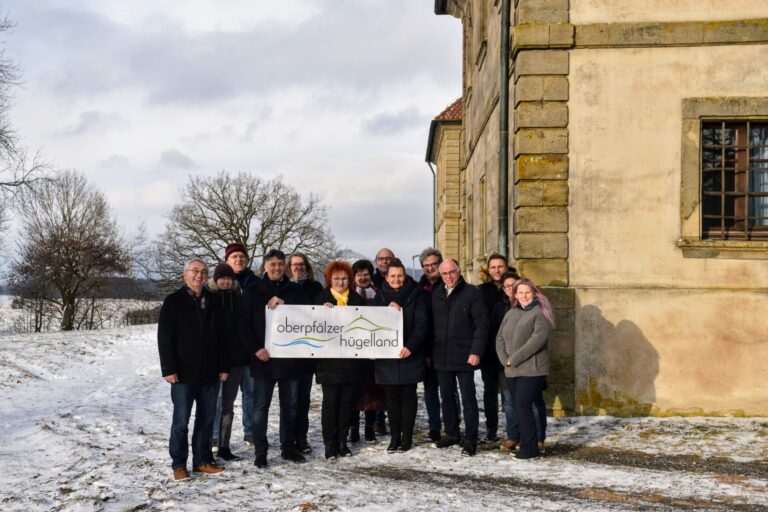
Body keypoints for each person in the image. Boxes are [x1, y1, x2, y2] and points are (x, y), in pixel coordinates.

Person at [157, 259, 228, 481]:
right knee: (181, 421)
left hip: (210, 372)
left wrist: (224, 366)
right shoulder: (173, 301)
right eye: (195, 271)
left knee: (206, 420)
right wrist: (168, 368)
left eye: (204, 271)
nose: (199, 275)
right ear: (185, 275)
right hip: (183, 374)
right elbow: (165, 338)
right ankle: (179, 464)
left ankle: (202, 461)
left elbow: (223, 338)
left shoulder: (214, 300)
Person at [240, 249, 309, 468]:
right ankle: (261, 451)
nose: (277, 268)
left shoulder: (295, 291)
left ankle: (288, 448)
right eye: (273, 264)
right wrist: (256, 349)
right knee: (260, 407)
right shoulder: (252, 290)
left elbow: (306, 318)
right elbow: (243, 325)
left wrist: (285, 304)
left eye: (280, 264)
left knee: (290, 406)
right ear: (265, 267)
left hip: (289, 360)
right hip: (264, 359)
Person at [431, 259, 489, 456]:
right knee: (446, 397)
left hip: (465, 355)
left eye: (452, 272)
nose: (449, 276)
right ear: (440, 275)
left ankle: (471, 438)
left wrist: (476, 351)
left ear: (459, 271)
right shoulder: (436, 294)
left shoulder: (472, 293)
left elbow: (482, 325)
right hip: (441, 355)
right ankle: (452, 433)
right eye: (444, 273)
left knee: (468, 399)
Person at [496, 278, 555, 460]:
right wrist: (504, 359)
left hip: (532, 370)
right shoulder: (511, 313)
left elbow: (535, 342)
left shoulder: (540, 314)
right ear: (515, 294)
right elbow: (499, 338)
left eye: (527, 292)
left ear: (534, 293)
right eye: (520, 292)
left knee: (523, 405)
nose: (524, 296)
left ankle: (530, 449)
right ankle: (527, 444)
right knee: (519, 407)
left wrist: (513, 359)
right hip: (512, 370)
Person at [374, 258, 429, 453]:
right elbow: (372, 325)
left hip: (409, 355)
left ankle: (407, 437)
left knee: (408, 397)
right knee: (390, 399)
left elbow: (422, 325)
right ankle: (394, 437)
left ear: (405, 276)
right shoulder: (379, 297)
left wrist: (410, 346)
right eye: (392, 276)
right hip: (387, 358)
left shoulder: (417, 295)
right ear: (386, 277)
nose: (396, 279)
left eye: (400, 276)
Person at [315, 260, 368, 459]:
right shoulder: (320, 299)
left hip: (351, 362)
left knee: (347, 403)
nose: (340, 282)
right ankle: (329, 443)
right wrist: (322, 313)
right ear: (330, 279)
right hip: (328, 363)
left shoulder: (357, 300)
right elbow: (312, 327)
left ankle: (342, 441)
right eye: (336, 278)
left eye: (344, 278)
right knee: (330, 402)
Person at [207, 263, 250, 462]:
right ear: (215, 280)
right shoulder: (209, 299)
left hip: (235, 362)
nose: (225, 281)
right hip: (213, 361)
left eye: (229, 278)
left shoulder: (239, 299)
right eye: (222, 278)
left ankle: (224, 445)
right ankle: (208, 444)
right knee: (210, 404)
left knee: (227, 405)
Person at [287, 252, 323, 454]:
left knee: (303, 399)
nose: (298, 267)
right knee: (289, 399)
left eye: (301, 264)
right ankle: (288, 438)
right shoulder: (284, 287)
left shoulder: (315, 287)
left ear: (307, 267)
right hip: (288, 351)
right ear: (289, 267)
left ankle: (301, 437)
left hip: (308, 351)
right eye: (294, 264)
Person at [222, 242, 257, 447]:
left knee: (251, 394)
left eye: (242, 256)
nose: (239, 260)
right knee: (225, 399)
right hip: (229, 354)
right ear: (227, 260)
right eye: (234, 257)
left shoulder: (255, 282)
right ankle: (219, 437)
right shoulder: (221, 283)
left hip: (251, 351)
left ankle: (250, 432)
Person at [348, 259, 385, 443]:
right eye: (359, 274)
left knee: (372, 393)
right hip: (352, 351)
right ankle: (353, 429)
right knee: (354, 392)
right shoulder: (348, 293)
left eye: (366, 274)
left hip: (373, 351)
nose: (362, 277)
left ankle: (370, 428)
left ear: (371, 276)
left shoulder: (379, 293)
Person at [477, 253, 510, 442]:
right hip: (489, 349)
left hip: (510, 349)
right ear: (488, 270)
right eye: (493, 267)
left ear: (506, 267)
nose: (497, 270)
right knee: (490, 390)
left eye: (500, 266)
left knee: (509, 391)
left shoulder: (515, 287)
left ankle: (513, 429)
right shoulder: (482, 291)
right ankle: (492, 427)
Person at [417, 247, 446, 441]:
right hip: (427, 347)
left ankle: (452, 424)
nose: (430, 268)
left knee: (448, 390)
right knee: (430, 390)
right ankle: (434, 427)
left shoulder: (449, 284)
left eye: (434, 264)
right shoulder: (420, 289)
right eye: (426, 265)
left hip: (447, 346)